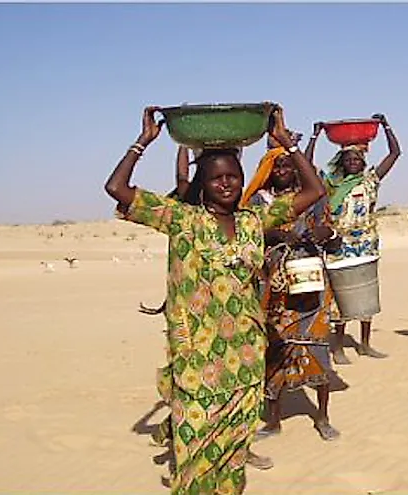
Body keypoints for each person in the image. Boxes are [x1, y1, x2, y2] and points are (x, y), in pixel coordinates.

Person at [105, 105, 326, 494]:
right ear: (201, 184)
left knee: (235, 452)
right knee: (195, 449)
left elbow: (314, 192)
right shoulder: (181, 220)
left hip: (244, 357)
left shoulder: (254, 222)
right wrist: (142, 142)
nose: (226, 184)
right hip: (195, 360)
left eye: (233, 176)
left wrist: (286, 142)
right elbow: (117, 189)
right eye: (216, 178)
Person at [240, 133, 343, 442]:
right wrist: (277, 238)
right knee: (275, 349)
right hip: (275, 285)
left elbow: (334, 235)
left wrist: (325, 233)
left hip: (311, 282)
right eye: (277, 166)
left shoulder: (313, 197)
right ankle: (273, 421)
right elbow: (249, 237)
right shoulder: (259, 202)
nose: (283, 170)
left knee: (317, 348)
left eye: (288, 165)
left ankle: (323, 417)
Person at [305, 114, 401, 364]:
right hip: (338, 247)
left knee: (367, 297)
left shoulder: (370, 181)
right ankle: (338, 348)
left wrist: (386, 126)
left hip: (367, 246)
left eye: (358, 158)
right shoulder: (330, 185)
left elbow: (394, 154)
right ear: (341, 161)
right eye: (348, 159)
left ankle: (366, 344)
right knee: (340, 299)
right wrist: (315, 135)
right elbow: (304, 164)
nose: (353, 162)